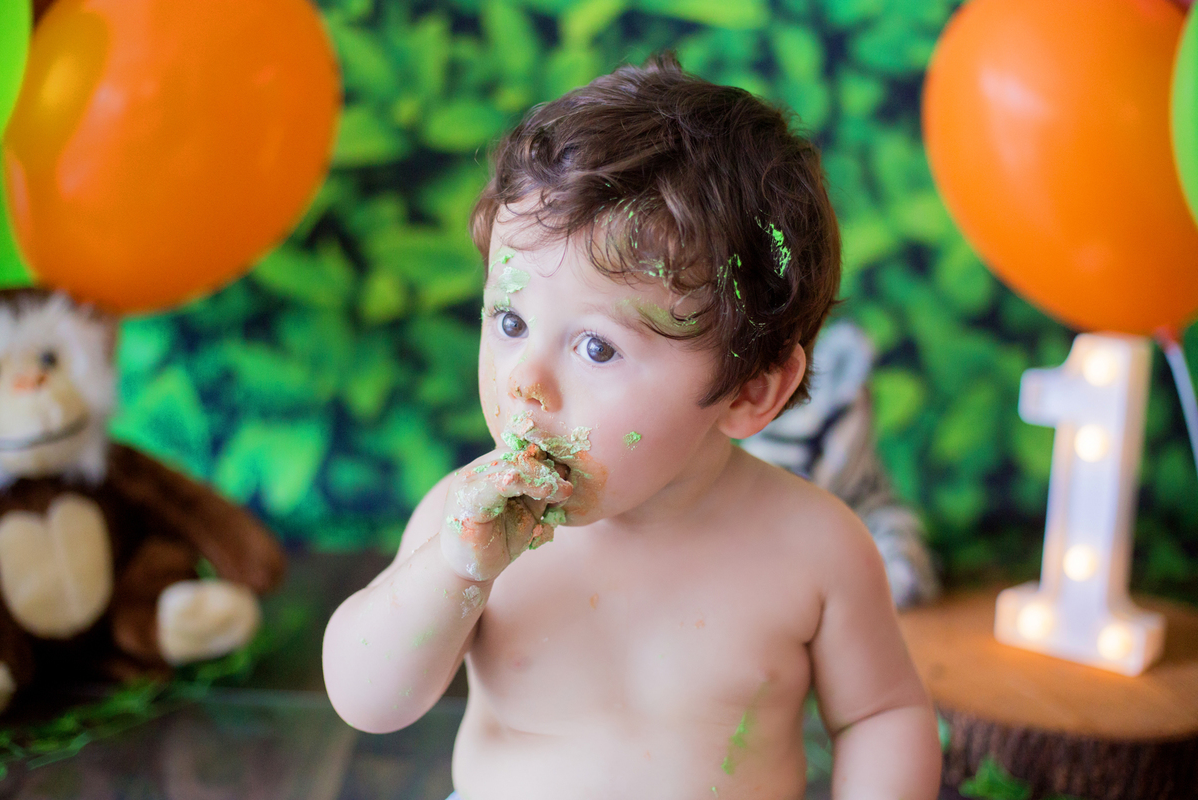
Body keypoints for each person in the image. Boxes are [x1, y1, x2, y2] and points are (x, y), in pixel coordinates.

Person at [323, 54, 941, 800]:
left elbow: (881, 715)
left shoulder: (816, 548)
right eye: (511, 320)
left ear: (751, 390)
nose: (525, 380)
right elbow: (369, 702)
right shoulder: (466, 523)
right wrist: (453, 571)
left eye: (597, 348)